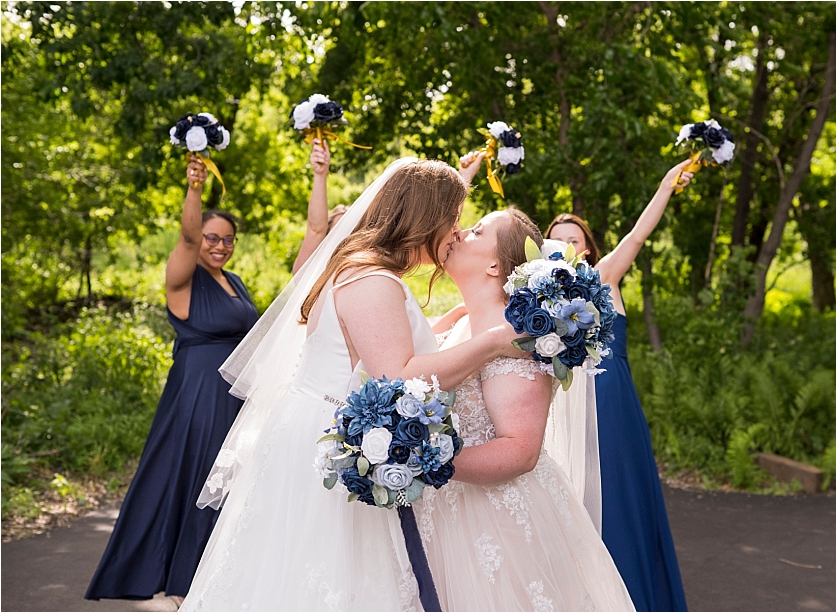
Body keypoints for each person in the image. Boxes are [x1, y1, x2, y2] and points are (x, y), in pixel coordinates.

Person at [181, 155, 535, 610]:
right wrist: (490, 343)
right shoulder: (371, 278)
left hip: (313, 429)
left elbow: (374, 346)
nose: (455, 233)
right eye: (452, 219)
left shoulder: (366, 268)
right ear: (424, 217)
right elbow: (400, 377)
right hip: (325, 444)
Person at [411, 208, 635, 611]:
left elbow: (521, 449)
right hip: (449, 509)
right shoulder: (468, 321)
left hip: (495, 523)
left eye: (477, 230)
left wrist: (425, 462)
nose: (460, 232)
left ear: (496, 264)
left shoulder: (516, 337)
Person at [87, 156, 260, 606]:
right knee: (197, 477)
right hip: (199, 391)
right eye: (210, 238)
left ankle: (214, 575)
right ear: (197, 239)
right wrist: (194, 188)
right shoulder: (184, 278)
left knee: (228, 479)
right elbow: (184, 236)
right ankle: (181, 583)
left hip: (234, 393)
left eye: (227, 239)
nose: (219, 246)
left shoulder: (234, 281)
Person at [544, 159, 693, 611]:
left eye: (574, 239)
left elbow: (637, 237)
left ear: (587, 249)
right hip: (560, 407)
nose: (566, 245)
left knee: (616, 498)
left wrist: (666, 184)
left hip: (607, 400)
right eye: (557, 239)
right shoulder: (540, 296)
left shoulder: (603, 278)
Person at [293, 139, 348, 274]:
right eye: (338, 233)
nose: (343, 240)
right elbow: (316, 229)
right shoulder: (310, 272)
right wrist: (320, 174)